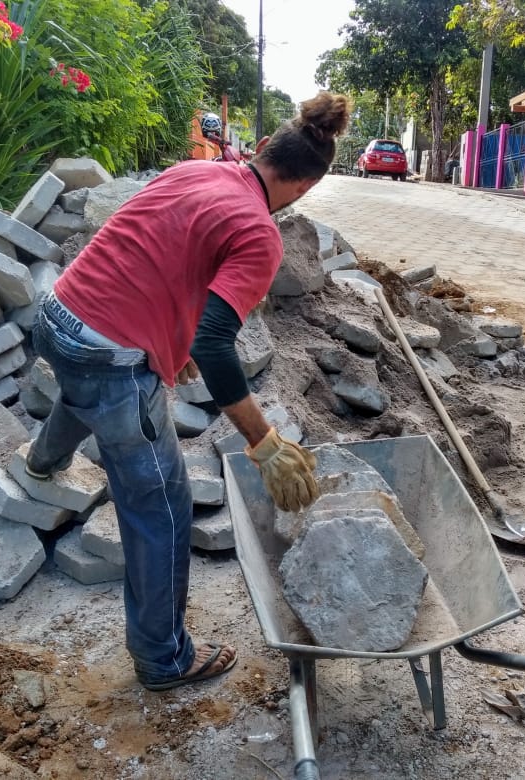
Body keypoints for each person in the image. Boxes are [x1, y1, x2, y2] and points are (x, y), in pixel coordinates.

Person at [25, 92, 351, 691]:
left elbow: (157, 258)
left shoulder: (198, 169)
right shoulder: (259, 232)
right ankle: (163, 658)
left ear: (259, 152)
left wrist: (174, 340)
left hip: (54, 316)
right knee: (163, 506)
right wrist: (265, 442)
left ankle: (41, 463)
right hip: (109, 358)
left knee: (83, 385)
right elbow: (215, 345)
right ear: (303, 188)